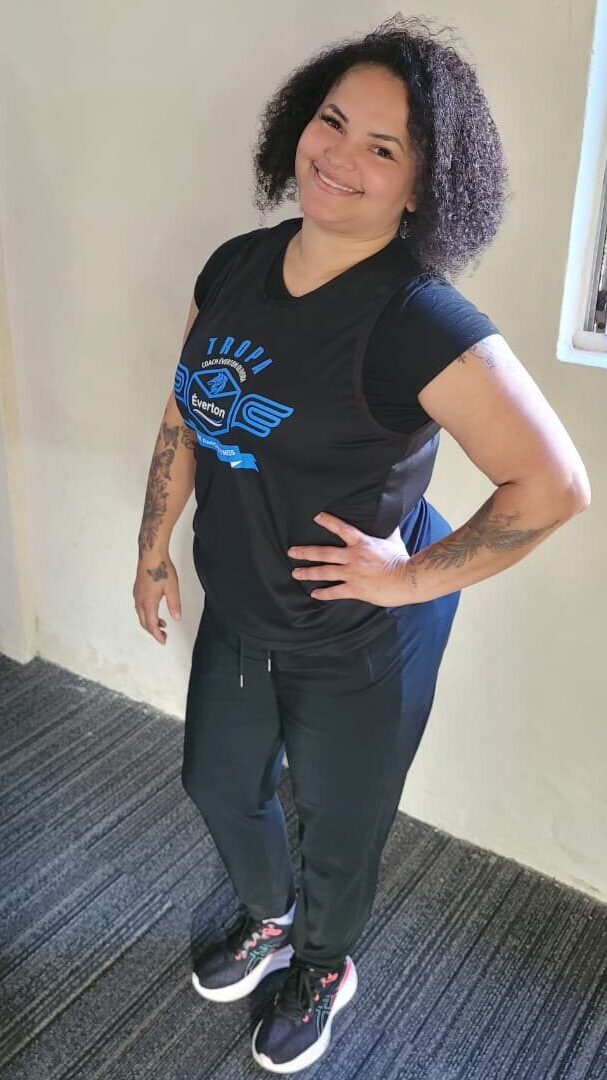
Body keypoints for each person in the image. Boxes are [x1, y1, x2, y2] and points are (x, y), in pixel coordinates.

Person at [132, 14, 591, 1075]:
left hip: (358, 639)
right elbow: (189, 409)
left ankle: (323, 964)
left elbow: (554, 485)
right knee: (219, 783)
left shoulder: (417, 320)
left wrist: (408, 578)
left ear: (422, 186)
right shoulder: (235, 264)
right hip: (243, 603)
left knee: (340, 831)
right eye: (332, 122)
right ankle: (268, 916)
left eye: (382, 147)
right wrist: (153, 546)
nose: (339, 156)